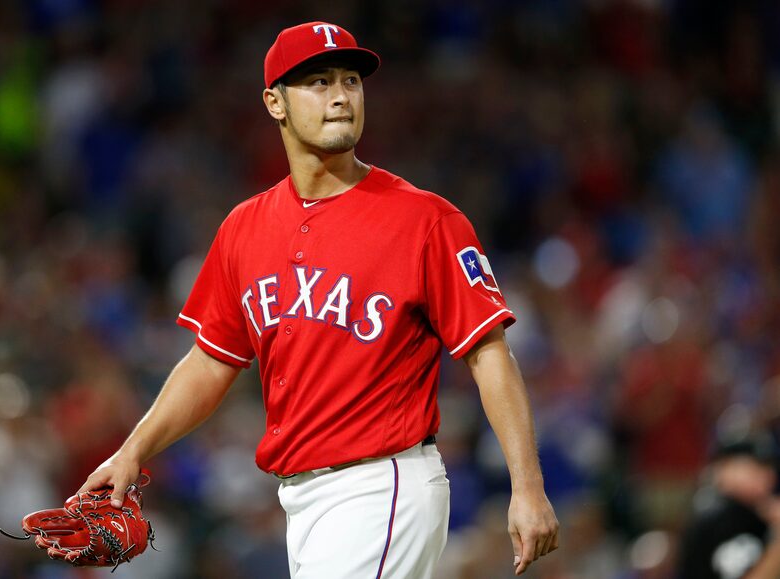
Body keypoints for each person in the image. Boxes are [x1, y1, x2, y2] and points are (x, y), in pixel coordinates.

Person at [77, 21, 559, 577]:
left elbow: (489, 352)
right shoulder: (243, 228)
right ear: (274, 103)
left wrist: (527, 487)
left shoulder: (425, 220)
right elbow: (212, 360)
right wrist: (133, 450)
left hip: (383, 486)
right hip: (301, 503)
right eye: (317, 82)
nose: (339, 96)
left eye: (350, 80)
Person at [677, 436, 780, 579]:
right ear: (722, 469)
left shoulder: (767, 513)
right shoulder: (714, 518)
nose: (764, 475)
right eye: (751, 467)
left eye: (767, 466)